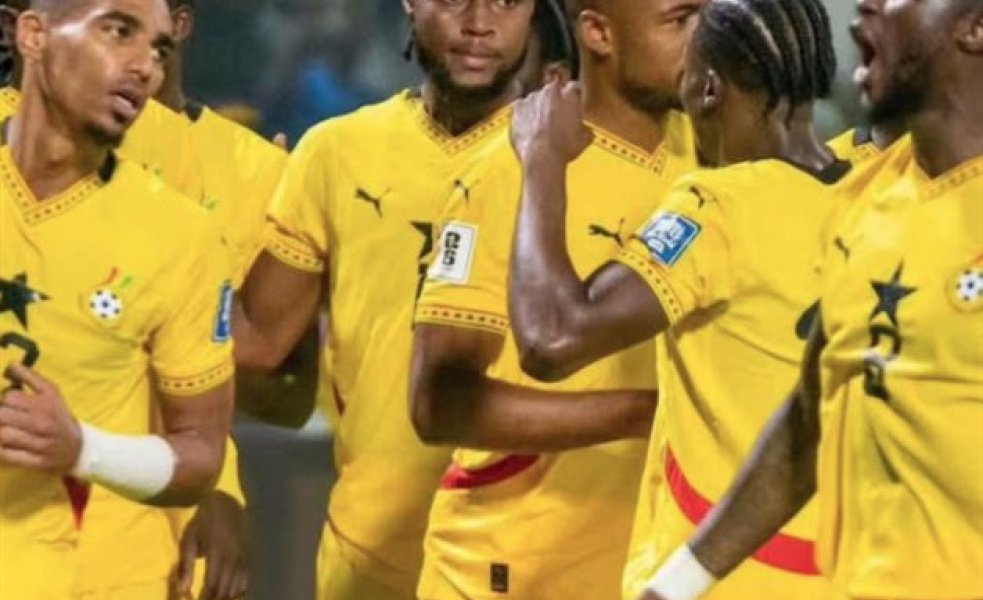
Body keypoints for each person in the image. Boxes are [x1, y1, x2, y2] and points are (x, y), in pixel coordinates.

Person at [506, 0, 852, 598]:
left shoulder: (718, 208)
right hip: (838, 574)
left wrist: (542, 159)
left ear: (708, 89)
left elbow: (551, 337)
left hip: (720, 578)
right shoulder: (874, 187)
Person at [637, 0, 983, 598]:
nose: (866, 6)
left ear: (975, 28)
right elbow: (808, 418)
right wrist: (672, 587)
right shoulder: (866, 197)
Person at [232, 1, 560, 597]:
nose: (479, 22)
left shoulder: (569, 159)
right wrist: (217, 233)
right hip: (368, 561)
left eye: (506, 1)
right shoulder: (335, 153)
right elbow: (255, 343)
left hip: (529, 566)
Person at [409, 1, 702, 597]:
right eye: (680, 20)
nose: (703, 38)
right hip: (508, 572)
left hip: (650, 574)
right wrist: (647, 413)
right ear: (598, 33)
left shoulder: (716, 161)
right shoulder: (510, 167)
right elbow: (440, 402)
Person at [0, 2, 234, 599]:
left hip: (90, 576)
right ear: (33, 34)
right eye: (118, 31)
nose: (144, 67)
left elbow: (200, 455)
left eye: (159, 49)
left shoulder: (180, 234)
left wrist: (82, 449)